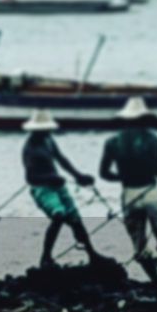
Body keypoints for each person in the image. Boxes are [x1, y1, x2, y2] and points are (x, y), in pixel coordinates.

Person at [99, 97, 157, 296]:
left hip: (129, 194)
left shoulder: (112, 143)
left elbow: (104, 173)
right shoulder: (153, 140)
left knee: (139, 244)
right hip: (151, 192)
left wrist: (123, 176)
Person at [21, 110, 110, 269]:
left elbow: (62, 160)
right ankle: (46, 257)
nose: (48, 131)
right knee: (59, 215)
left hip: (58, 186)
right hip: (42, 189)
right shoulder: (30, 149)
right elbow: (30, 178)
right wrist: (50, 179)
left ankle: (92, 254)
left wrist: (79, 176)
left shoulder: (48, 140)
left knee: (76, 219)